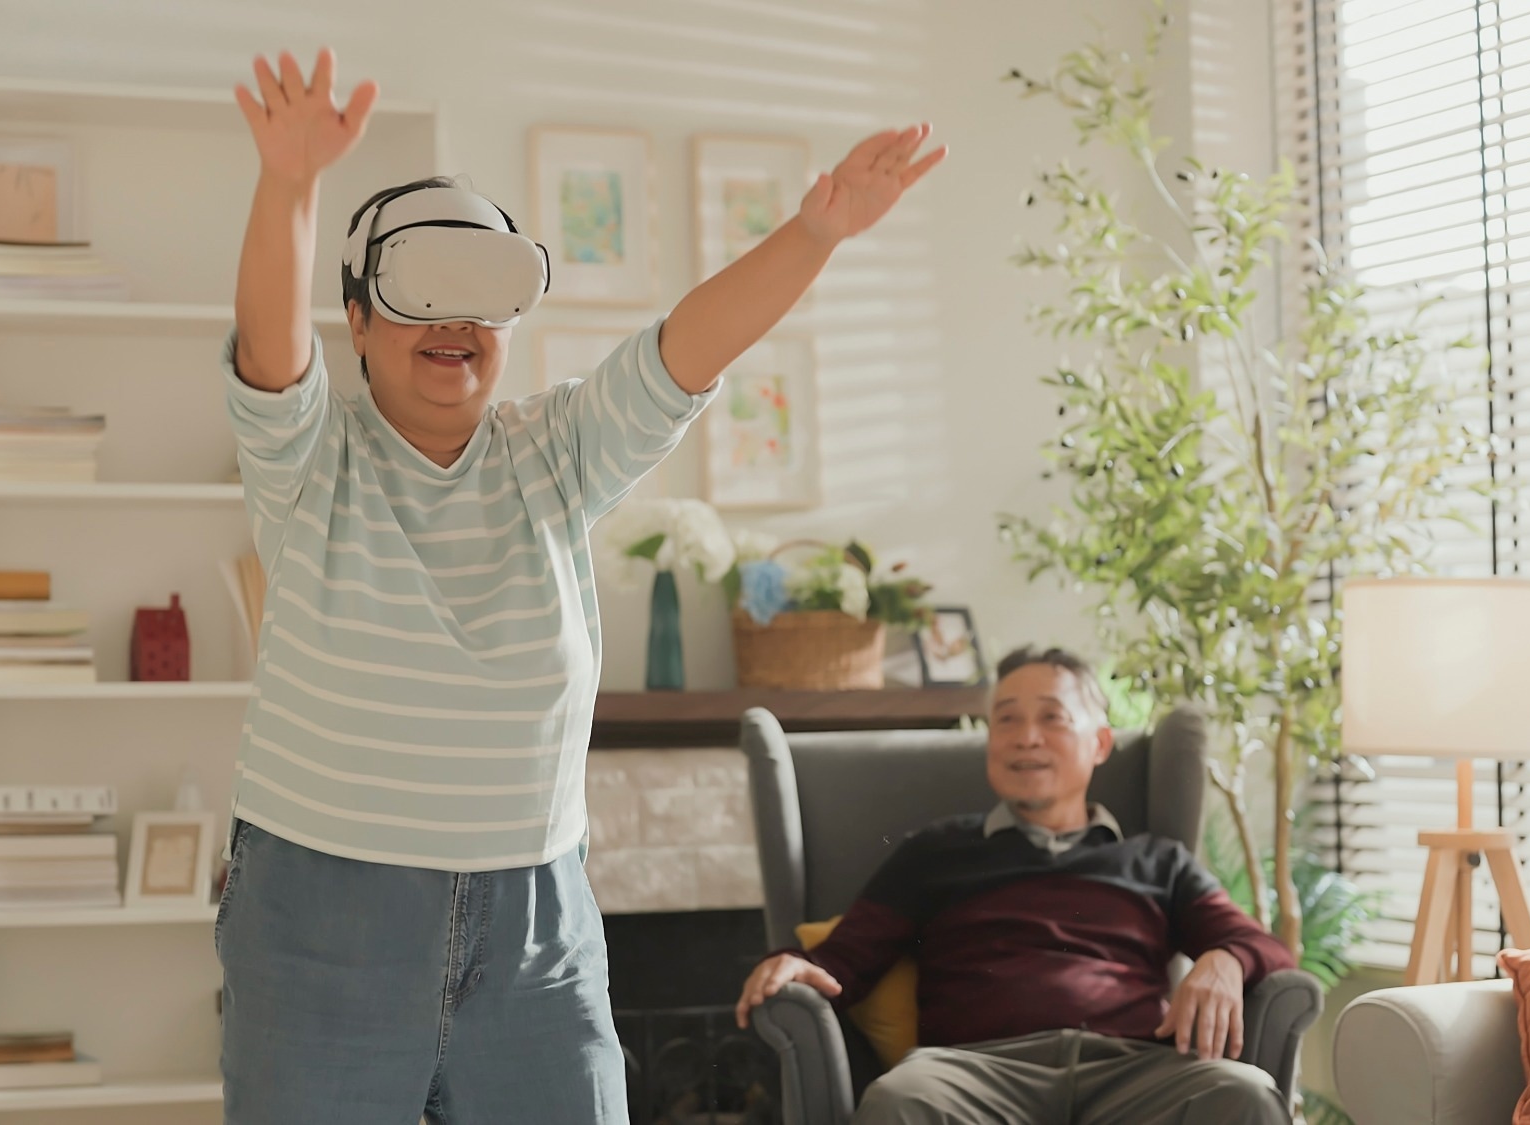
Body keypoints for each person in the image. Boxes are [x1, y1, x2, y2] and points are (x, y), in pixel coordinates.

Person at [212, 47, 947, 1125]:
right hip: (325, 910)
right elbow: (271, 354)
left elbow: (681, 354)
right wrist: (290, 183)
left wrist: (816, 233)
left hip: (534, 913)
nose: (457, 324)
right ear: (359, 321)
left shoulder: (553, 452)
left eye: (485, 295)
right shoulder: (313, 460)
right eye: (422, 292)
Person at [735, 646, 1297, 1125]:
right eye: (1006, 719)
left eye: (1052, 718)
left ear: (1099, 744)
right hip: (975, 1071)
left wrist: (1224, 959)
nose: (1026, 737)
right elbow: (842, 961)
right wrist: (789, 962)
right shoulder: (936, 853)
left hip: (1132, 1069)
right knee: (898, 1101)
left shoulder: (1156, 862)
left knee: (1244, 1096)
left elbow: (1267, 950)